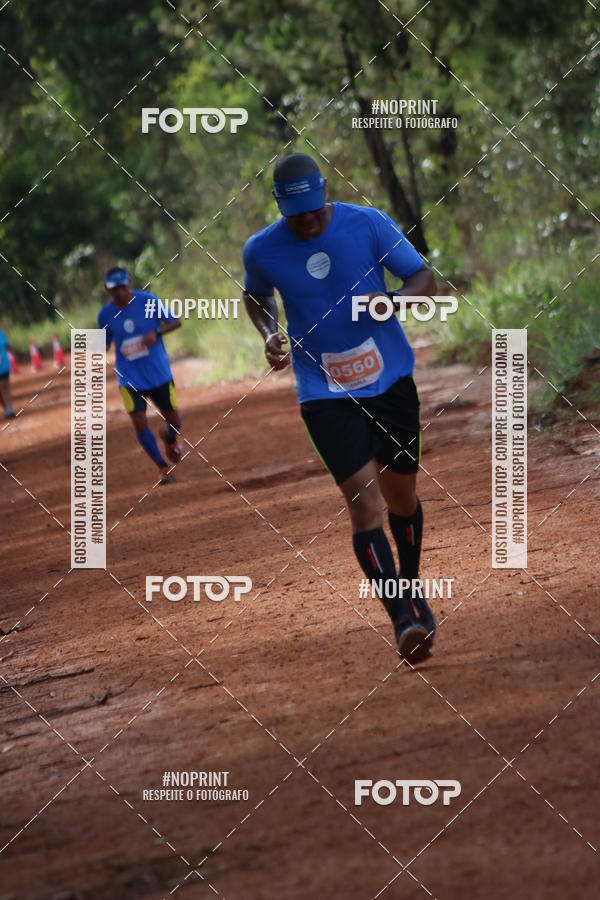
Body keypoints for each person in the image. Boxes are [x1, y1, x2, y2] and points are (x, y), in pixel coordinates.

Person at [242, 153, 437, 662]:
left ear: (325, 191)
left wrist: (390, 302)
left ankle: (411, 588)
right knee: (363, 504)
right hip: (323, 393)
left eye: (312, 208)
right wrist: (268, 333)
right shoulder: (262, 249)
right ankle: (401, 620)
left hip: (390, 380)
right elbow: (256, 295)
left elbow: (423, 280)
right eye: (294, 212)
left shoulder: (367, 223)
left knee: (401, 499)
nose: (305, 220)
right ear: (279, 205)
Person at [98, 267, 182, 485]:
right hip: (128, 377)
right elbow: (105, 343)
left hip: (158, 372)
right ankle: (162, 467)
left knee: (174, 420)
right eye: (115, 288)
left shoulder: (148, 301)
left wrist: (156, 333)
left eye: (123, 286)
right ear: (107, 289)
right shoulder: (105, 315)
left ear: (129, 282)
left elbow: (175, 321)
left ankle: (169, 438)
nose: (120, 292)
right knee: (138, 421)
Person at [0, 328, 15, 419]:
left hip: (4, 365)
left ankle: (9, 409)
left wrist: (13, 354)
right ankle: (6, 408)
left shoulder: (0, 333)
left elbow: (7, 346)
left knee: (5, 385)